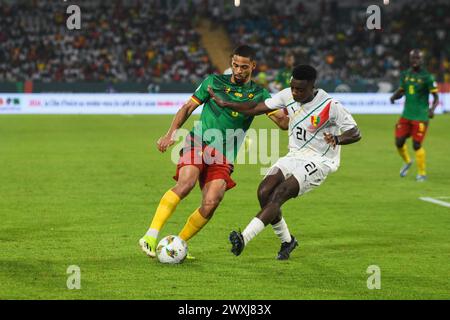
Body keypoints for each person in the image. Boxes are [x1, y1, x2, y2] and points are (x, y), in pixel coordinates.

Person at [139, 45, 288, 259]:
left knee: (211, 203)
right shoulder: (214, 82)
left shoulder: (259, 94)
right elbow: (187, 108)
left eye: (244, 67)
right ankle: (150, 237)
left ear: (253, 66)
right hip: (198, 142)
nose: (238, 70)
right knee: (186, 183)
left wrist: (298, 110)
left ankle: (177, 245)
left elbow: (282, 123)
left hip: (224, 156)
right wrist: (171, 133)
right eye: (235, 65)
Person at [208, 64, 361, 259]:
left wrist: (338, 139)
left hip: (320, 161)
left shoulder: (331, 106)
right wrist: (227, 104)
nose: (295, 93)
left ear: (312, 86)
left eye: (300, 89)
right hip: (293, 155)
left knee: (280, 193)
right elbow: (256, 108)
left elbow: (355, 132)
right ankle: (288, 242)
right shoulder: (287, 95)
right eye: (293, 87)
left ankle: (244, 238)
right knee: (264, 192)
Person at [390, 49, 439, 181]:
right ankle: (407, 161)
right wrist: (394, 97)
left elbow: (436, 97)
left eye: (417, 58)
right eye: (413, 58)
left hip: (421, 117)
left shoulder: (428, 77)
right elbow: (402, 90)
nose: (415, 61)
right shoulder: (405, 74)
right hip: (406, 115)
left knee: (416, 145)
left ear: (422, 60)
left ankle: (422, 173)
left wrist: (432, 109)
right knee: (399, 142)